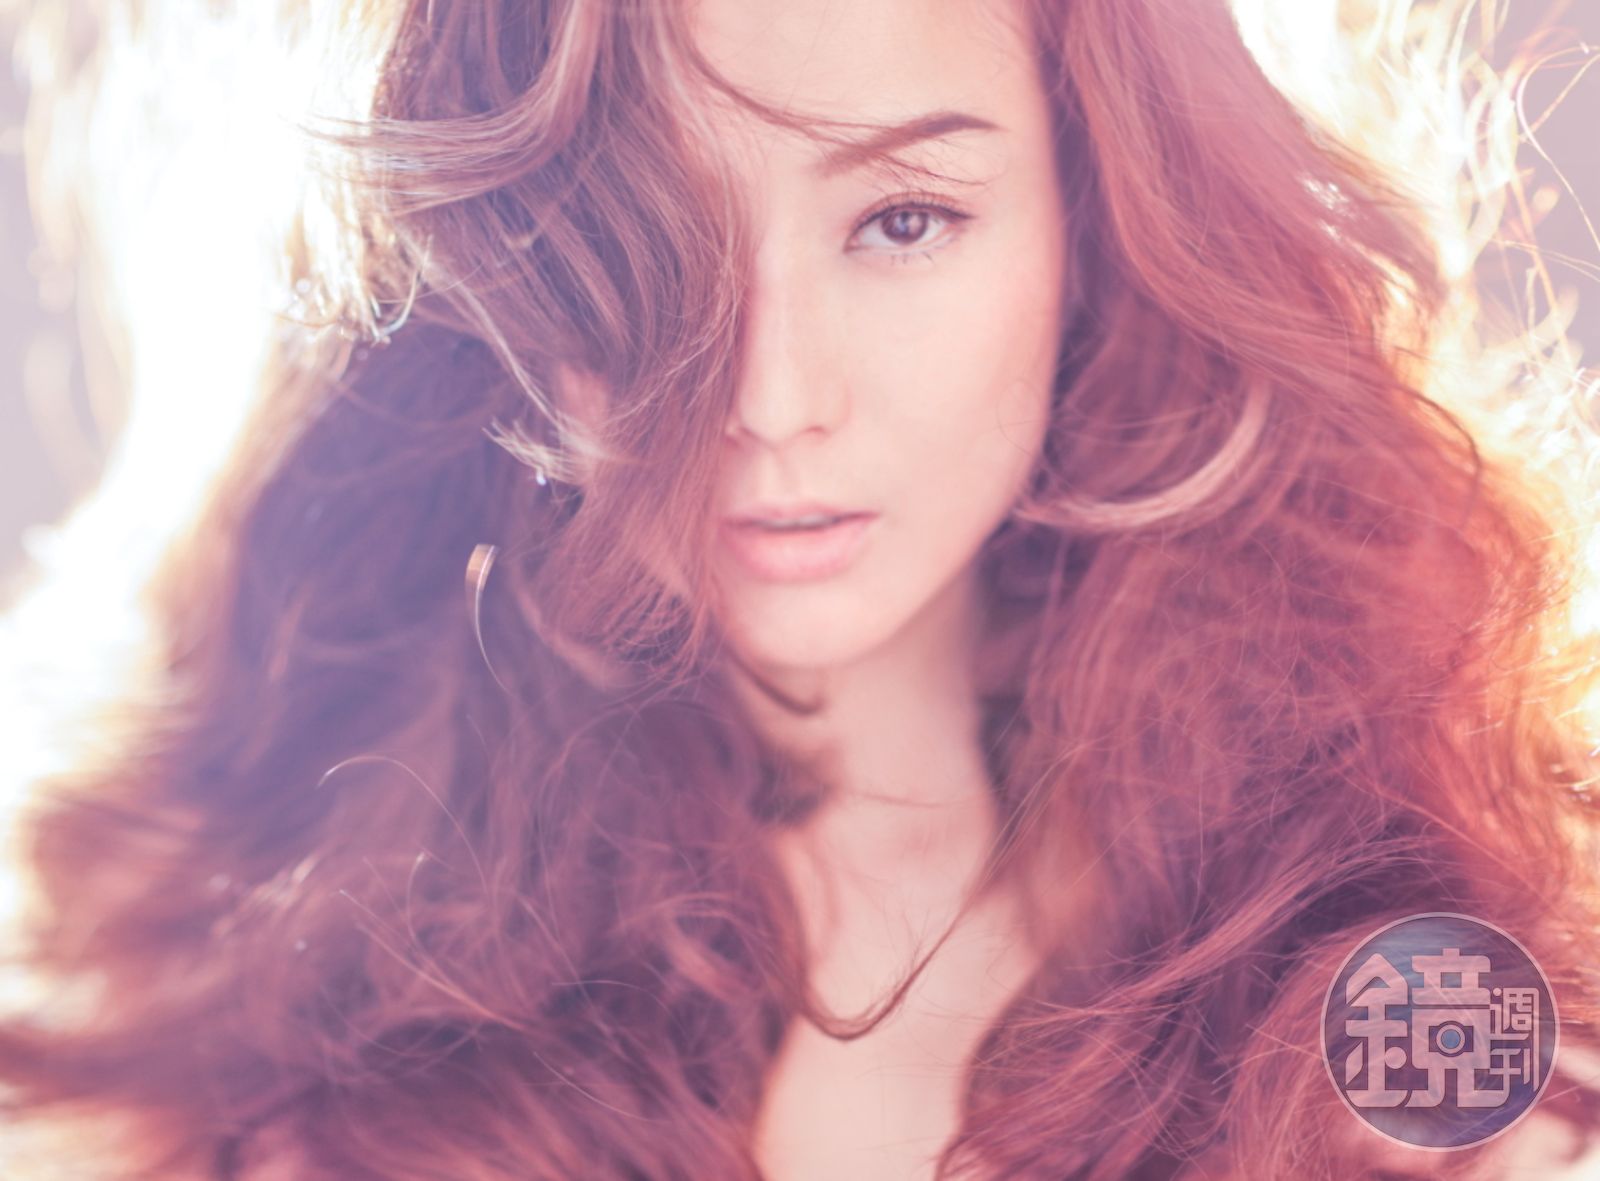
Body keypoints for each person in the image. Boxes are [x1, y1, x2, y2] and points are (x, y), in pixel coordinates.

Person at [2, 0, 1600, 1176]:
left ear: (1098, 213)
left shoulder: (1404, 950)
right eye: (637, 237)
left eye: (902, 220)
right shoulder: (225, 952)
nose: (769, 395)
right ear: (477, 265)